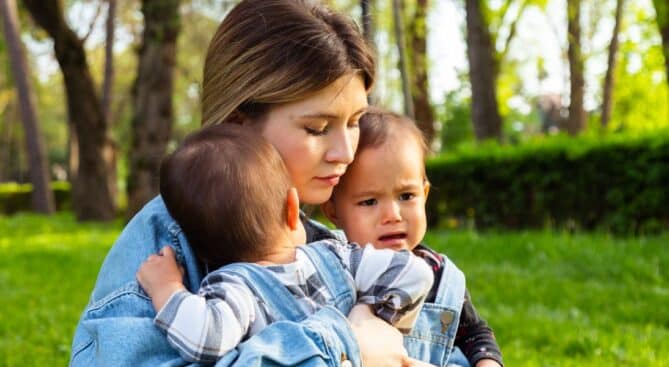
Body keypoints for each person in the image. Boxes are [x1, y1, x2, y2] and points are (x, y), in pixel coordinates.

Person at [70, 1, 434, 366]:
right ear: (237, 123)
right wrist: (347, 343)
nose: (344, 152)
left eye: (355, 121)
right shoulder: (164, 248)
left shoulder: (327, 247)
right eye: (317, 129)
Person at [136, 124, 434, 363]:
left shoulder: (236, 291)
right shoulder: (337, 256)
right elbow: (416, 274)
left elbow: (205, 338)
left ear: (197, 249)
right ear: (293, 208)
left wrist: (167, 289)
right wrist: (372, 318)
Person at [321, 109, 504, 367]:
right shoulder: (332, 272)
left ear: (425, 194)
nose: (393, 215)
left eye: (406, 196)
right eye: (369, 201)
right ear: (333, 212)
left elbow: (475, 334)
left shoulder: (440, 276)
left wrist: (487, 362)